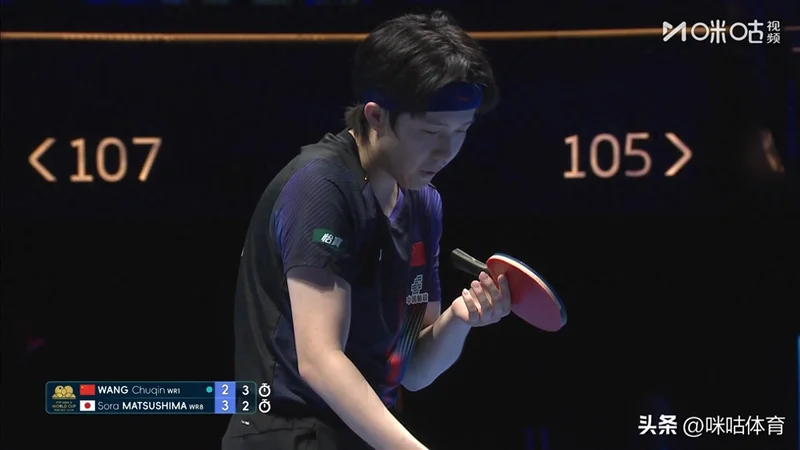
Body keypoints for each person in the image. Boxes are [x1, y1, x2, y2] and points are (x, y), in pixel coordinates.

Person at [222, 10, 506, 450]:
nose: (446, 151)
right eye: (431, 131)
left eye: (461, 131)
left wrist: (459, 319)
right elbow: (320, 360)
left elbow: (412, 367)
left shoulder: (423, 205)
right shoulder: (322, 186)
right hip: (289, 433)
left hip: (362, 436)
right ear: (376, 116)